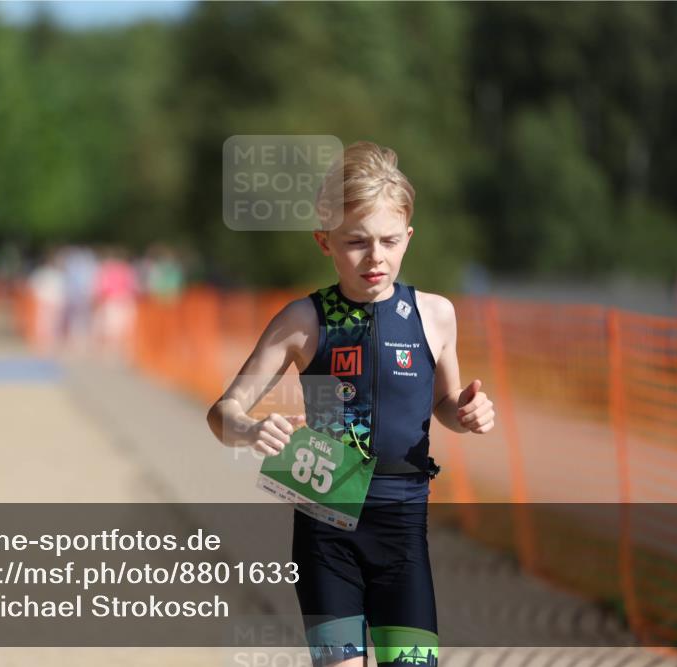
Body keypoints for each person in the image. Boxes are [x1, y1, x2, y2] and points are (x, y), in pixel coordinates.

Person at [206, 141, 496, 667]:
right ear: (325, 241)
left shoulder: (435, 315)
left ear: (408, 236)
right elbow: (222, 412)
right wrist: (250, 430)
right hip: (326, 529)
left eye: (389, 240)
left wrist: (467, 412)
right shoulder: (303, 320)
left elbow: (445, 404)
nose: (375, 256)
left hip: (403, 533)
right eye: (356, 242)